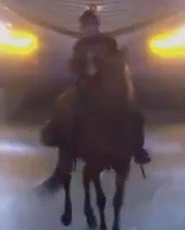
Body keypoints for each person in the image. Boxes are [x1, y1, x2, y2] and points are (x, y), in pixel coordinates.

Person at [40, 10, 151, 190]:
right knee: (65, 111)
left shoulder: (108, 42)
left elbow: (117, 62)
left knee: (136, 114)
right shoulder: (80, 46)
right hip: (86, 89)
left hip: (110, 88)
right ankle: (60, 164)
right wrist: (86, 66)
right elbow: (75, 68)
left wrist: (109, 63)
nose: (89, 29)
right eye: (85, 26)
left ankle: (138, 149)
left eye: (91, 26)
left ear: (96, 26)